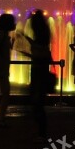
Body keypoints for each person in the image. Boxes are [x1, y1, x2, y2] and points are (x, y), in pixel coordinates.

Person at [21, 10, 52, 142]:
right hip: (39, 72)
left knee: (37, 104)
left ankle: (41, 134)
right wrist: (25, 38)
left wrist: (27, 54)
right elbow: (40, 49)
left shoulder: (42, 38)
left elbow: (41, 56)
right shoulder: (42, 37)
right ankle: (40, 133)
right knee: (37, 103)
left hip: (39, 73)